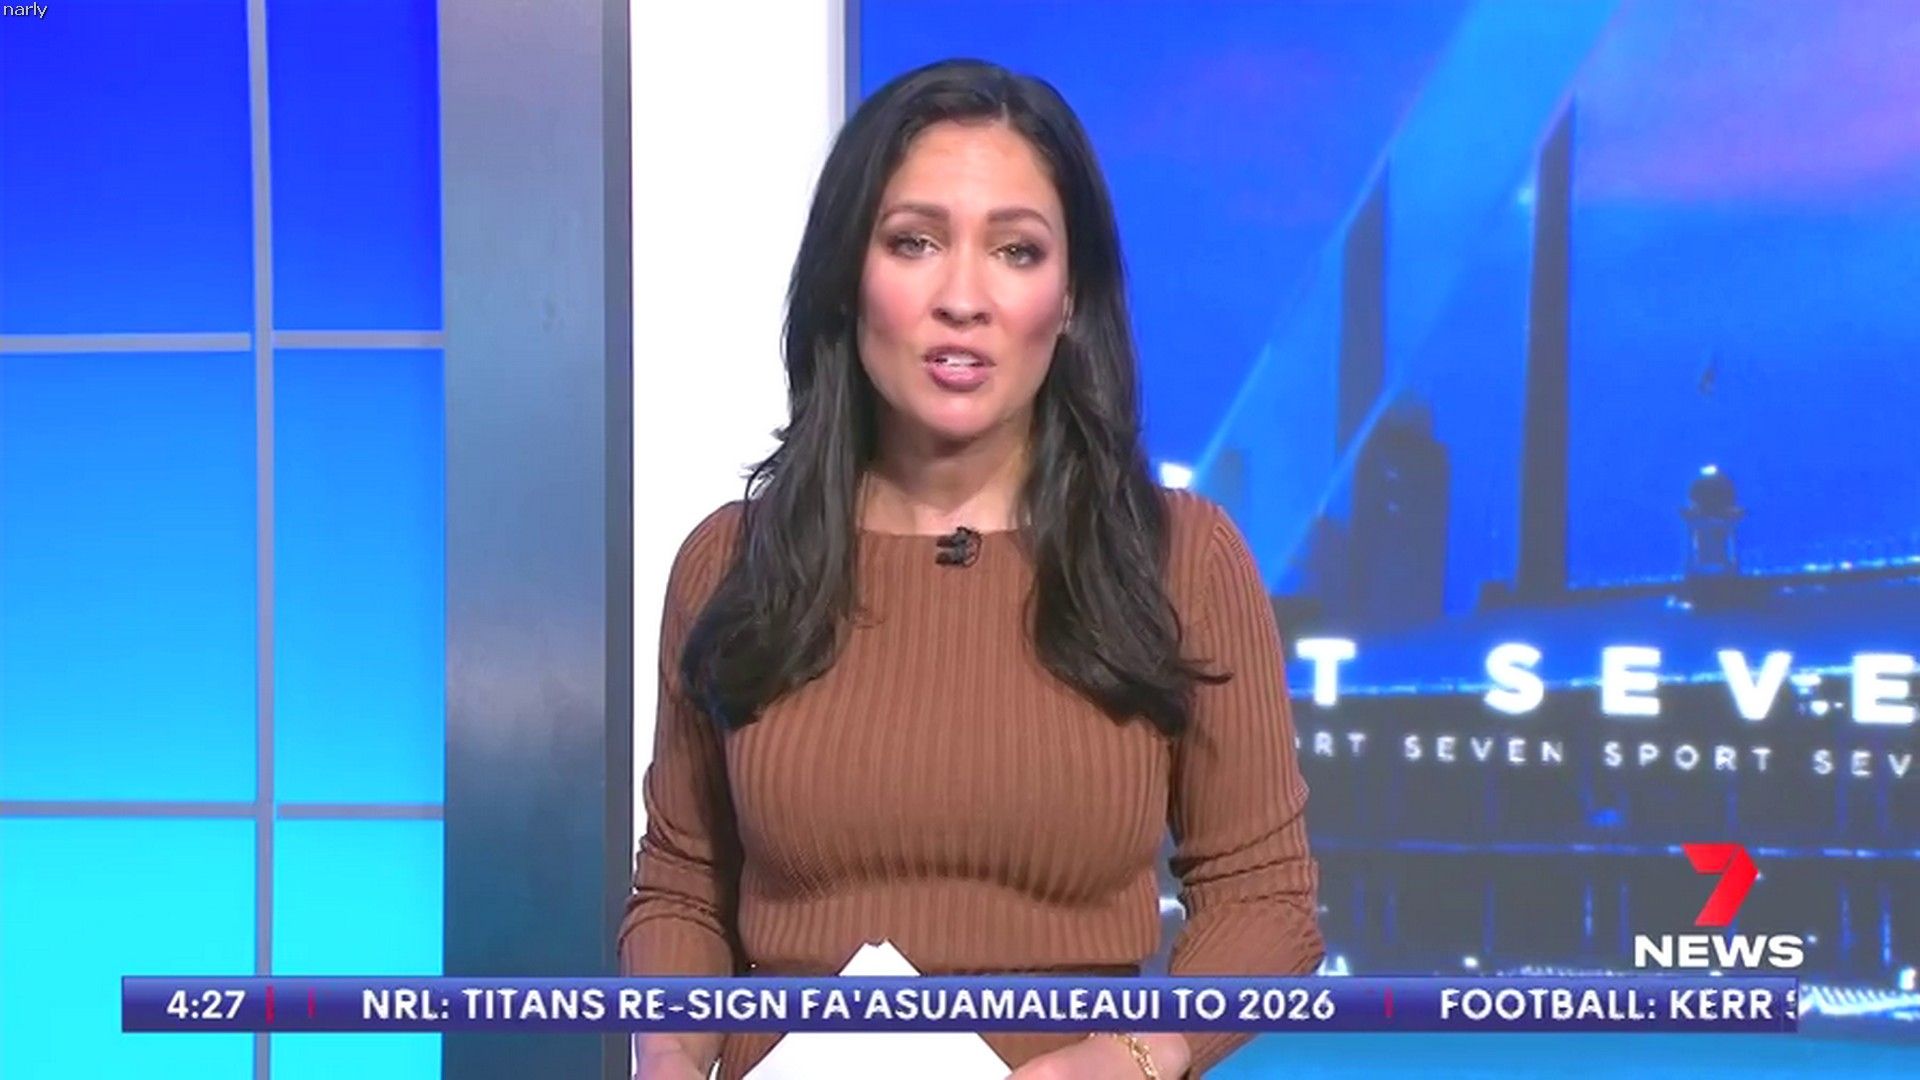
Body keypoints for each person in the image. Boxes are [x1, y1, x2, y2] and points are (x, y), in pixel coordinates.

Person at [621, 58, 1323, 1079]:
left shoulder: (1182, 560)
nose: (963, 298)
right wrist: (670, 1059)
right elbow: (684, 888)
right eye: (914, 242)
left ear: (1069, 297)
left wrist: (1136, 1056)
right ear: (846, 278)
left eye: (1015, 250)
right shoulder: (730, 563)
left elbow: (1266, 900)